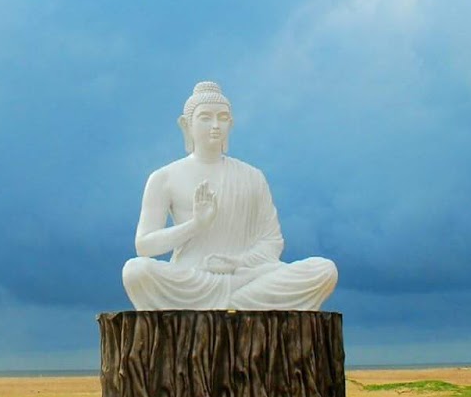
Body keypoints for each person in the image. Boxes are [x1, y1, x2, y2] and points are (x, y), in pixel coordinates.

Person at [121, 81, 337, 311]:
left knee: (324, 269)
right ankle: (238, 303)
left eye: (223, 118)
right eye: (205, 117)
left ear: (230, 124)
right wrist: (196, 225)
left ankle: (226, 302)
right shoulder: (164, 177)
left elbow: (272, 242)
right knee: (136, 271)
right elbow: (144, 246)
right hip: (194, 278)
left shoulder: (252, 176)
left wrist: (238, 262)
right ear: (186, 125)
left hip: (245, 276)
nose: (215, 125)